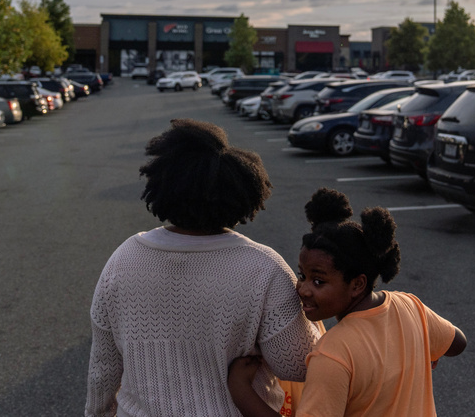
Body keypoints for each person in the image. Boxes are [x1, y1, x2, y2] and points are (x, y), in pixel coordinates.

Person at [85, 119, 320, 417]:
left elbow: (103, 367)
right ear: (241, 195)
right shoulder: (264, 267)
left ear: (161, 186)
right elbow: (298, 364)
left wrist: (98, 413)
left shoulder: (124, 258)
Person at [228, 187, 468, 417]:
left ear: (357, 284)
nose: (302, 289)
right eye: (302, 275)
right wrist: (420, 350)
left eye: (318, 281)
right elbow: (457, 343)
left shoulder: (332, 354)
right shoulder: (410, 306)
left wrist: (241, 390)